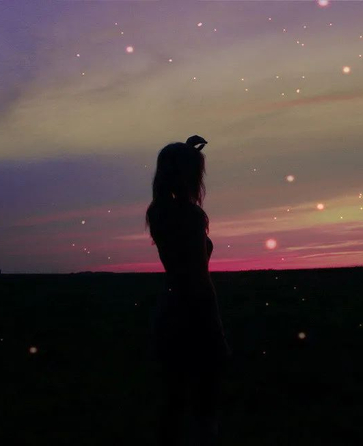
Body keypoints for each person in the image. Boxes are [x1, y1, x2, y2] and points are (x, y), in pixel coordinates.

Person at [145, 135, 232, 445]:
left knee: (173, 396)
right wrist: (214, 326)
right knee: (205, 396)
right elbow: (197, 275)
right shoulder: (191, 217)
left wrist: (182, 151)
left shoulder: (158, 211)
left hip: (169, 307)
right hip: (194, 310)